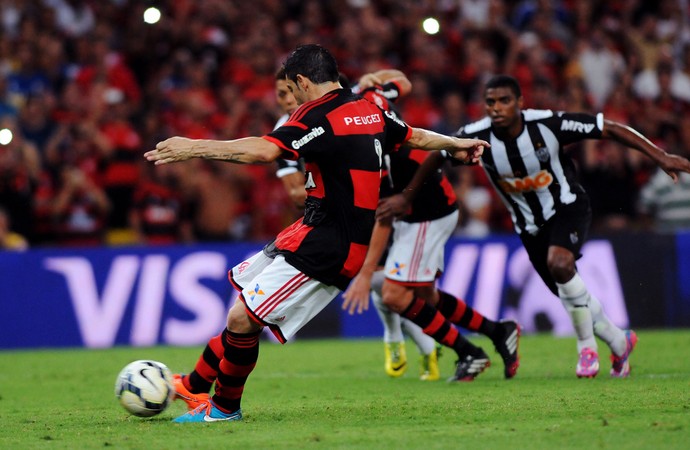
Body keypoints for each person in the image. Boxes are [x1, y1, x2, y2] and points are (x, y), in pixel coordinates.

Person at [144, 44, 488, 423]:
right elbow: (415, 137)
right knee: (242, 308)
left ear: (303, 81)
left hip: (330, 243)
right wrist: (456, 143)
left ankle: (224, 409)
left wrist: (193, 146)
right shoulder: (368, 110)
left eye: (292, 88)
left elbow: (262, 152)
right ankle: (195, 384)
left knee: (242, 319)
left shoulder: (316, 116)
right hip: (313, 229)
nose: (291, 97)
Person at [450, 74, 690, 378]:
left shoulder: (547, 124)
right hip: (528, 227)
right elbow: (437, 155)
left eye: (504, 100)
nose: (497, 107)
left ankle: (586, 348)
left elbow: (609, 128)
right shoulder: (475, 136)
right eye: (490, 102)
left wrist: (660, 155)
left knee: (560, 264)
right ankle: (619, 340)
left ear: (520, 103)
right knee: (571, 294)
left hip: (567, 207)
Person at [344, 70, 520, 382]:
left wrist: (367, 273)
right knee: (426, 297)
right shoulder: (366, 99)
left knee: (394, 295)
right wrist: (376, 78)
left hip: (426, 210)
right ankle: (497, 331)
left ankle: (469, 353)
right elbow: (403, 81)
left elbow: (390, 206)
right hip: (425, 207)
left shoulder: (361, 126)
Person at [272, 66, 306, 209]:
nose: (288, 100)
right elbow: (297, 195)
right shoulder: (282, 134)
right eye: (281, 94)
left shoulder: (335, 110)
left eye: (292, 91)